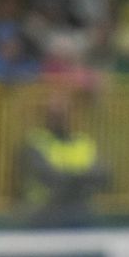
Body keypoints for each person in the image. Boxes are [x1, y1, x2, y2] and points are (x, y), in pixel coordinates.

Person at [18, 91, 109, 228]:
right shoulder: (36, 142)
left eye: (63, 112)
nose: (60, 117)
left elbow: (103, 175)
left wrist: (69, 179)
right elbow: (49, 177)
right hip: (44, 212)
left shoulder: (83, 142)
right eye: (54, 113)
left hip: (81, 211)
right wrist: (82, 179)